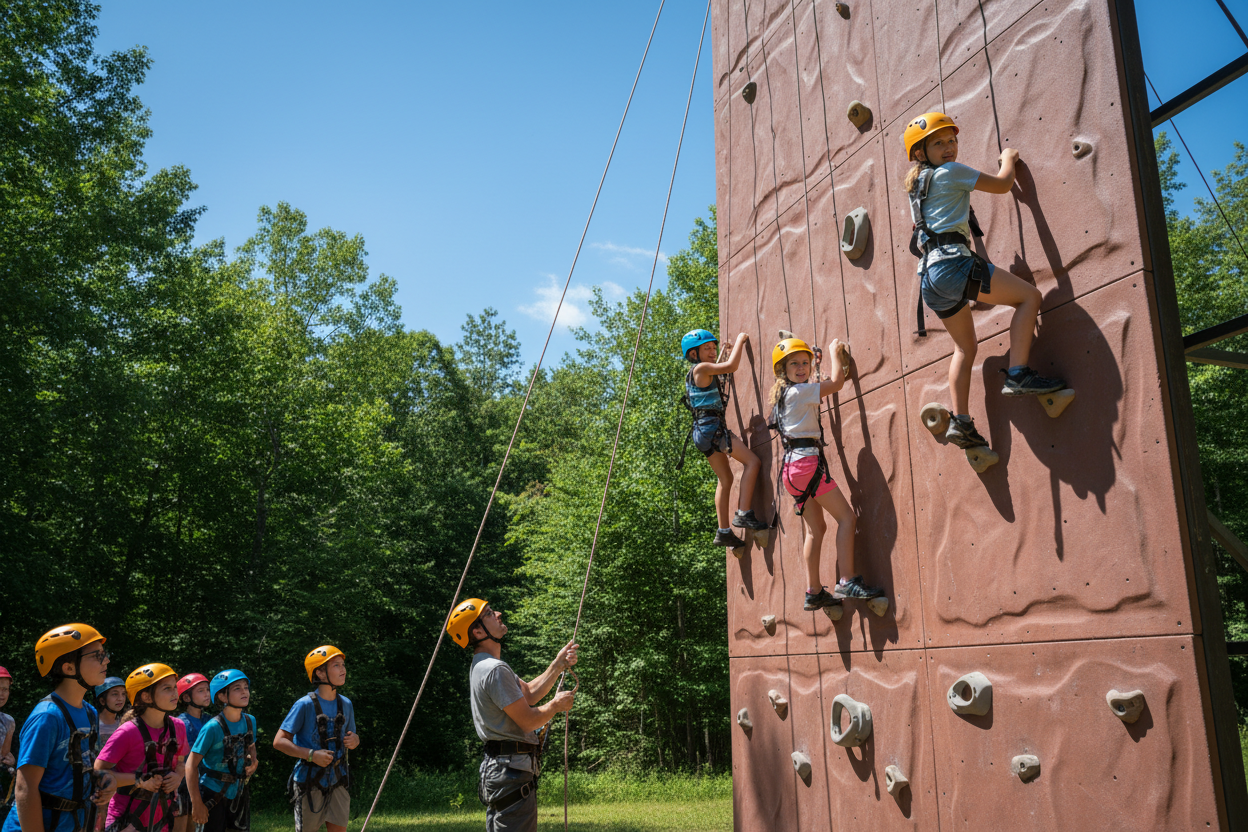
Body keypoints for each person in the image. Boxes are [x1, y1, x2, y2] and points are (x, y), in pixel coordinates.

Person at [902, 111, 1066, 451]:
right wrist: (1008, 158)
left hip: (930, 280)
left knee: (965, 347)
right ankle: (1019, 372)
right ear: (921, 152)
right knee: (1029, 298)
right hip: (953, 265)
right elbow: (1004, 183)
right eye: (939, 143)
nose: (949, 147)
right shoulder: (951, 172)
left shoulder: (918, 185)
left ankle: (961, 422)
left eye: (952, 140)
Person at [769, 337, 883, 612]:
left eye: (804, 363)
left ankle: (814, 591)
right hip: (807, 465)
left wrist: (816, 367)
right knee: (846, 518)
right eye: (794, 364)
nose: (801, 367)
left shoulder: (788, 395)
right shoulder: (799, 392)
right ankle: (847, 580)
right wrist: (834, 353)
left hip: (791, 470)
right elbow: (836, 384)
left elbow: (817, 390)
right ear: (782, 369)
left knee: (816, 529)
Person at [446, 599, 577, 832]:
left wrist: (557, 665)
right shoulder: (494, 670)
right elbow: (528, 720)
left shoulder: (488, 665)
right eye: (488, 613)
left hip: (506, 769)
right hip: (510, 771)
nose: (498, 613)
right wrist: (556, 705)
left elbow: (529, 694)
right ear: (477, 631)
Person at [4, 624, 117, 832]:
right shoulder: (47, 717)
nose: (107, 660)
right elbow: (24, 788)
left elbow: (80, 765)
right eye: (97, 656)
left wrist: (103, 778)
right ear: (69, 668)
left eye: (105, 654)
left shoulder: (90, 712)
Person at [679, 329, 767, 549]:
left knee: (725, 480)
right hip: (712, 428)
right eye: (706, 348)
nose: (712, 350)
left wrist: (722, 355)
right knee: (753, 462)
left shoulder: (697, 373)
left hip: (702, 432)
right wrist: (740, 341)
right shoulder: (701, 368)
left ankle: (724, 531)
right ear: (693, 355)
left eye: (713, 346)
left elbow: (716, 373)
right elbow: (730, 368)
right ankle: (744, 513)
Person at [272, 647, 359, 832]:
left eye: (343, 665)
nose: (343, 669)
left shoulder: (346, 704)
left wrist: (355, 741)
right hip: (309, 781)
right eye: (336, 665)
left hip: (338, 779)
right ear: (319, 672)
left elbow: (352, 736)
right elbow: (279, 741)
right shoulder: (304, 704)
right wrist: (311, 755)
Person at [94, 666, 186, 832]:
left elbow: (180, 760)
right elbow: (99, 772)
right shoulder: (128, 732)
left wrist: (179, 775)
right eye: (167, 688)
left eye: (174, 687)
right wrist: (139, 780)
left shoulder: (178, 727)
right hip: (127, 820)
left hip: (162, 819)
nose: (175, 693)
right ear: (146, 696)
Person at [184, 671, 256, 832]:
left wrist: (254, 762)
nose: (244, 691)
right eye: (237, 688)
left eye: (246, 687)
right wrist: (197, 803)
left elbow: (251, 746)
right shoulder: (212, 727)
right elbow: (190, 765)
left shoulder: (250, 721)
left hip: (238, 792)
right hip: (212, 793)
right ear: (223, 697)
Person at [170, 675, 209, 832]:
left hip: (203, 782)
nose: (207, 694)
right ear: (186, 697)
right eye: (200, 691)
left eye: (207, 690)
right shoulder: (181, 723)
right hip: (183, 785)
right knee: (181, 826)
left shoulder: (210, 720)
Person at [0, 667, 14, 770]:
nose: (1, 694)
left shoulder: (8, 722)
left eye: (5, 689)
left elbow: (5, 755)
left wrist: (10, 762)